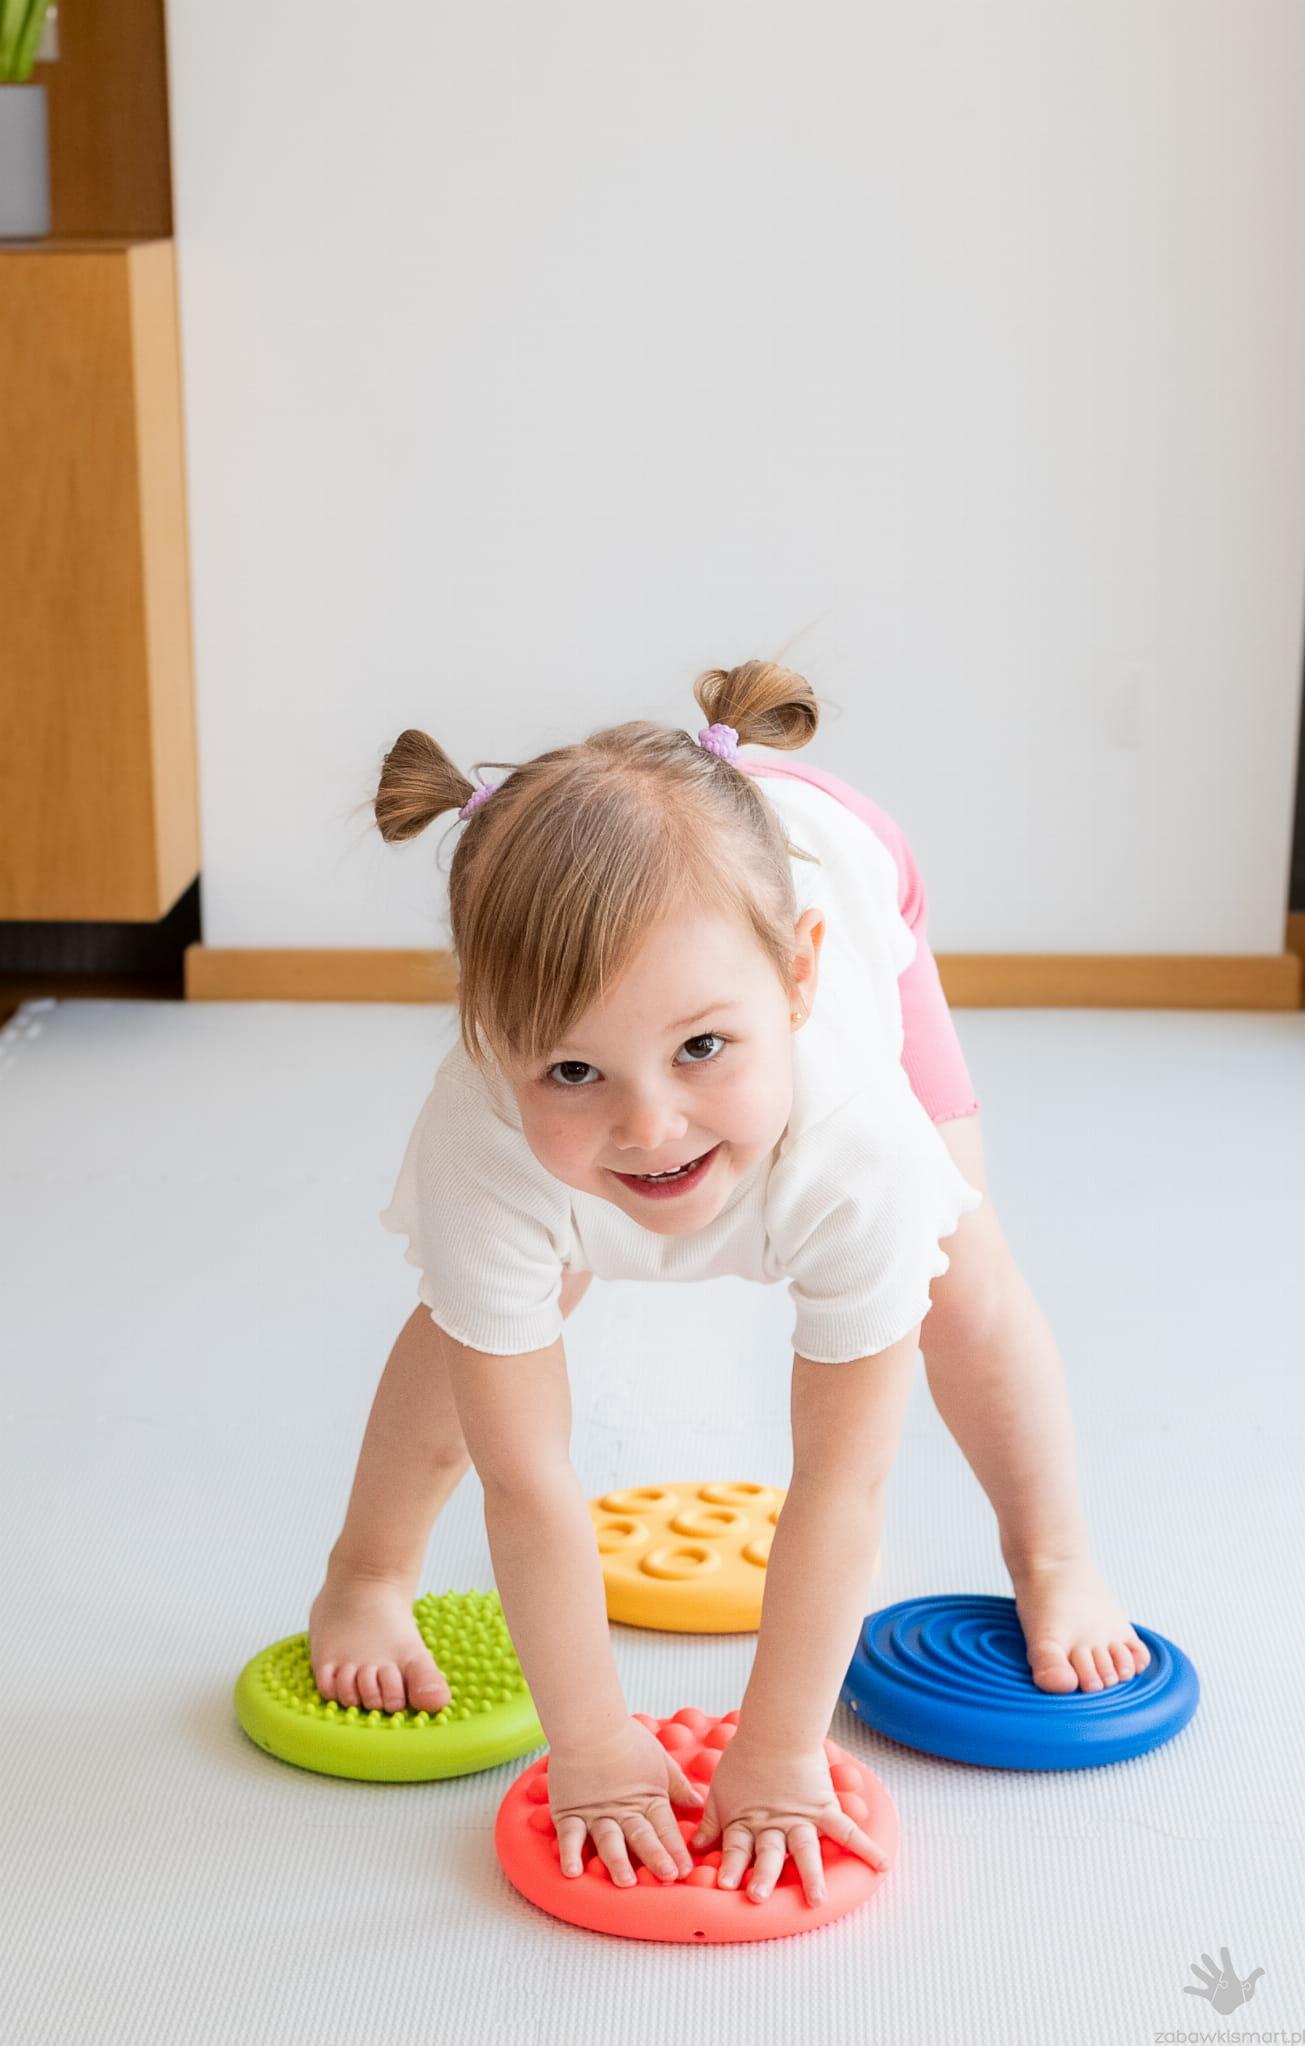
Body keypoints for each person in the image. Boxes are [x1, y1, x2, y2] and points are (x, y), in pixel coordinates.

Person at [308, 658, 1151, 1909]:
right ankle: (363, 1576)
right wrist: (590, 1749)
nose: (652, 1127)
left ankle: (1057, 1555)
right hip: (660, 988)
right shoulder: (482, 1144)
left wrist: (778, 1751)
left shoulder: (856, 1141)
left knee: (961, 1279)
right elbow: (528, 1481)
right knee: (474, 1319)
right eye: (572, 1072)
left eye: (702, 1048)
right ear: (489, 1040)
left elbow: (842, 1482)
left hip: (839, 873)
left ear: (798, 983)